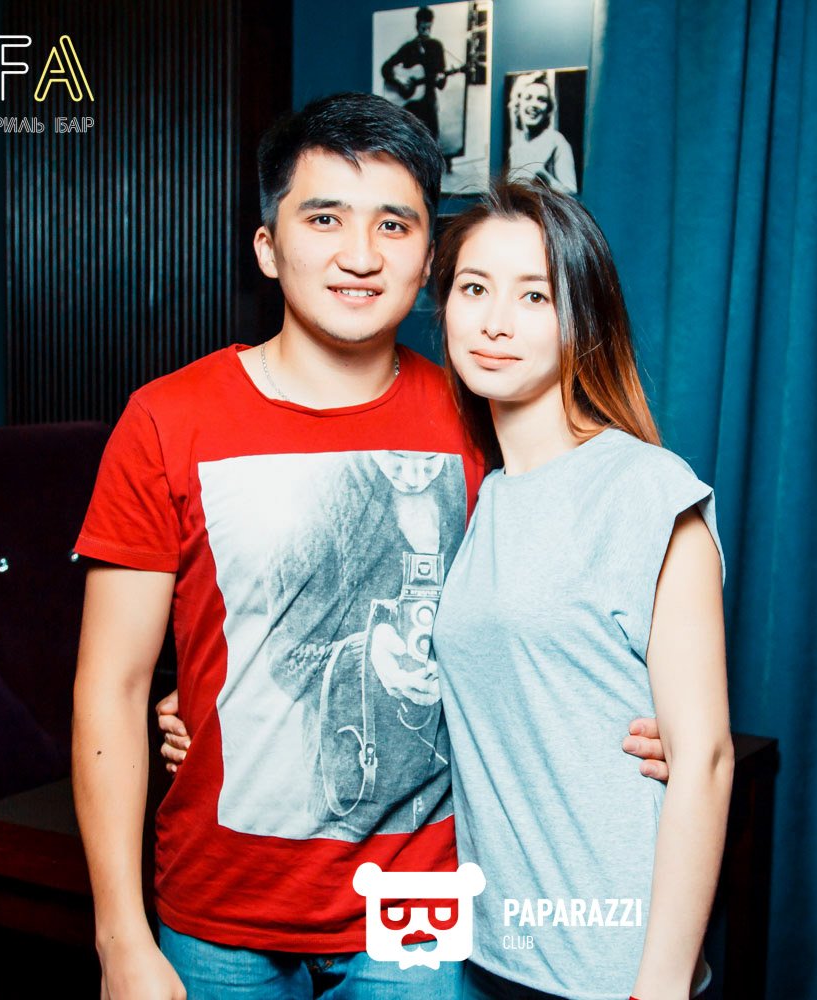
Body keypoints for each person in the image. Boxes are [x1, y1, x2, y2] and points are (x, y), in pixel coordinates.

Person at [72, 93, 666, 1000]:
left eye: (394, 224)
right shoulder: (167, 419)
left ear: (428, 259)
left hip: (422, 905)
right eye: (324, 219)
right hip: (215, 904)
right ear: (267, 246)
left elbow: (573, 596)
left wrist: (646, 720)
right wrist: (120, 938)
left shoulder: (485, 414)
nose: (360, 255)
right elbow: (110, 687)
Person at [161, 179, 733, 1000]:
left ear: (584, 316)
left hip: (610, 960)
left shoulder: (644, 488)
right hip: (488, 950)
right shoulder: (474, 492)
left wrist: (661, 986)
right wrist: (210, 702)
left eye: (535, 296)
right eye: (474, 289)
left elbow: (704, 758)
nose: (496, 322)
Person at [380, 7, 451, 146]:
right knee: (409, 144)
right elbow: (386, 68)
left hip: (429, 103)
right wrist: (400, 81)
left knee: (431, 142)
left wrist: (441, 79)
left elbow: (441, 82)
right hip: (410, 106)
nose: (425, 30)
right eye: (422, 26)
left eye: (428, 26)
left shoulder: (436, 47)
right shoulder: (408, 48)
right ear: (417, 25)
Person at [505, 72, 578, 195]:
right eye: (528, 98)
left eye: (541, 100)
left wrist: (545, 177)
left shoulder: (557, 142)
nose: (534, 105)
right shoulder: (515, 146)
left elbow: (572, 194)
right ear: (519, 104)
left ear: (548, 108)